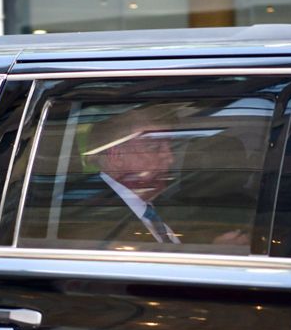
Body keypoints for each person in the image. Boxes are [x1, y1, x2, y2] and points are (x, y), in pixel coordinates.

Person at [73, 106, 249, 247]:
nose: (170, 158)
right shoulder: (90, 219)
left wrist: (213, 247)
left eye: (169, 147)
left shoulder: (160, 205)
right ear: (117, 156)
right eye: (154, 148)